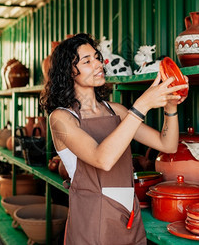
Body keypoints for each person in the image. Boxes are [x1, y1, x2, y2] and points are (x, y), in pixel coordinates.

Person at [40, 33, 188, 244]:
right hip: (92, 216)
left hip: (129, 211)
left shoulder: (116, 111)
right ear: (69, 71)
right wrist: (142, 105)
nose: (99, 64)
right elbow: (103, 159)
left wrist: (170, 107)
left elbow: (168, 145)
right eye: (87, 61)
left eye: (97, 57)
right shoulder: (61, 118)